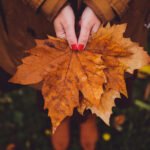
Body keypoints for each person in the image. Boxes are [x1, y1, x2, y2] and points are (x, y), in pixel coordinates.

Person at [0, 0, 149, 149]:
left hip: (118, 15)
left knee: (103, 83)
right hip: (38, 20)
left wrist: (103, 6)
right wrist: (53, 5)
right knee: (50, 81)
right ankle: (61, 116)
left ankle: (89, 116)